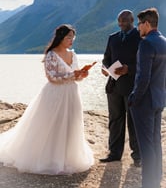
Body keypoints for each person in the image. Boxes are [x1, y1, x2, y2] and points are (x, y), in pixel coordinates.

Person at [0, 24, 94, 175]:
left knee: (70, 123)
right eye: (68, 37)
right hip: (55, 94)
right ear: (60, 38)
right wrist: (72, 75)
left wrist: (81, 75)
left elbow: (75, 77)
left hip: (72, 93)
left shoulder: (73, 54)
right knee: (51, 124)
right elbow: (51, 78)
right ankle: (48, 159)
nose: (71, 40)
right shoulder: (51, 54)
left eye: (73, 37)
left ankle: (66, 159)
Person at [126, 8, 166, 188]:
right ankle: (155, 183)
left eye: (139, 24)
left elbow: (143, 78)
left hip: (145, 102)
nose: (137, 28)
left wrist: (134, 98)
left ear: (147, 24)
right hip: (159, 99)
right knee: (156, 143)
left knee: (146, 145)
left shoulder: (146, 44)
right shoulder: (164, 42)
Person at [100, 10, 141, 167]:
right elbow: (106, 58)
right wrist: (105, 68)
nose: (122, 23)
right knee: (115, 120)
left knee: (133, 122)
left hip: (132, 87)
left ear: (132, 20)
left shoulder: (140, 37)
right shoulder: (112, 38)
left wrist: (128, 69)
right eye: (119, 21)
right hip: (114, 86)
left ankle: (137, 156)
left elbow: (144, 63)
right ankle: (114, 154)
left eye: (125, 20)